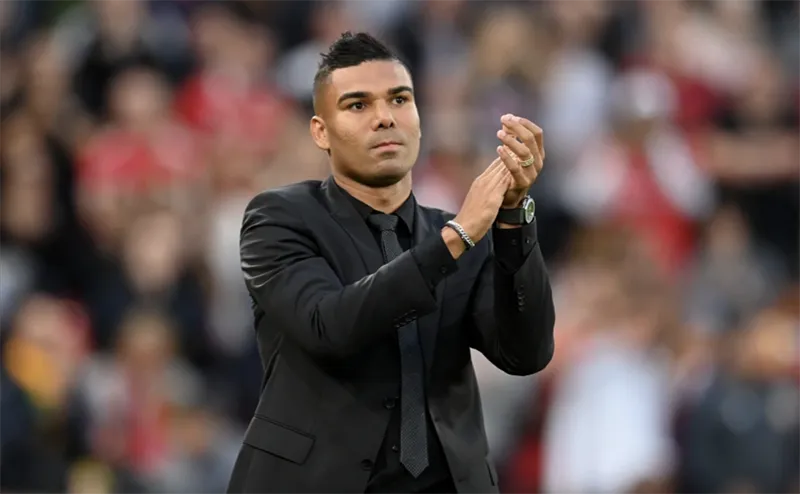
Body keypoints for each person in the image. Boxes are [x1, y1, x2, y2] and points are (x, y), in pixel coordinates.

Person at [226, 32, 555, 494]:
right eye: (358, 105)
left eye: (399, 99)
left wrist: (514, 216)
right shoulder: (279, 217)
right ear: (321, 131)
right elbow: (329, 326)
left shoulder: (461, 233)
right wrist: (456, 238)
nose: (384, 117)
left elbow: (526, 354)